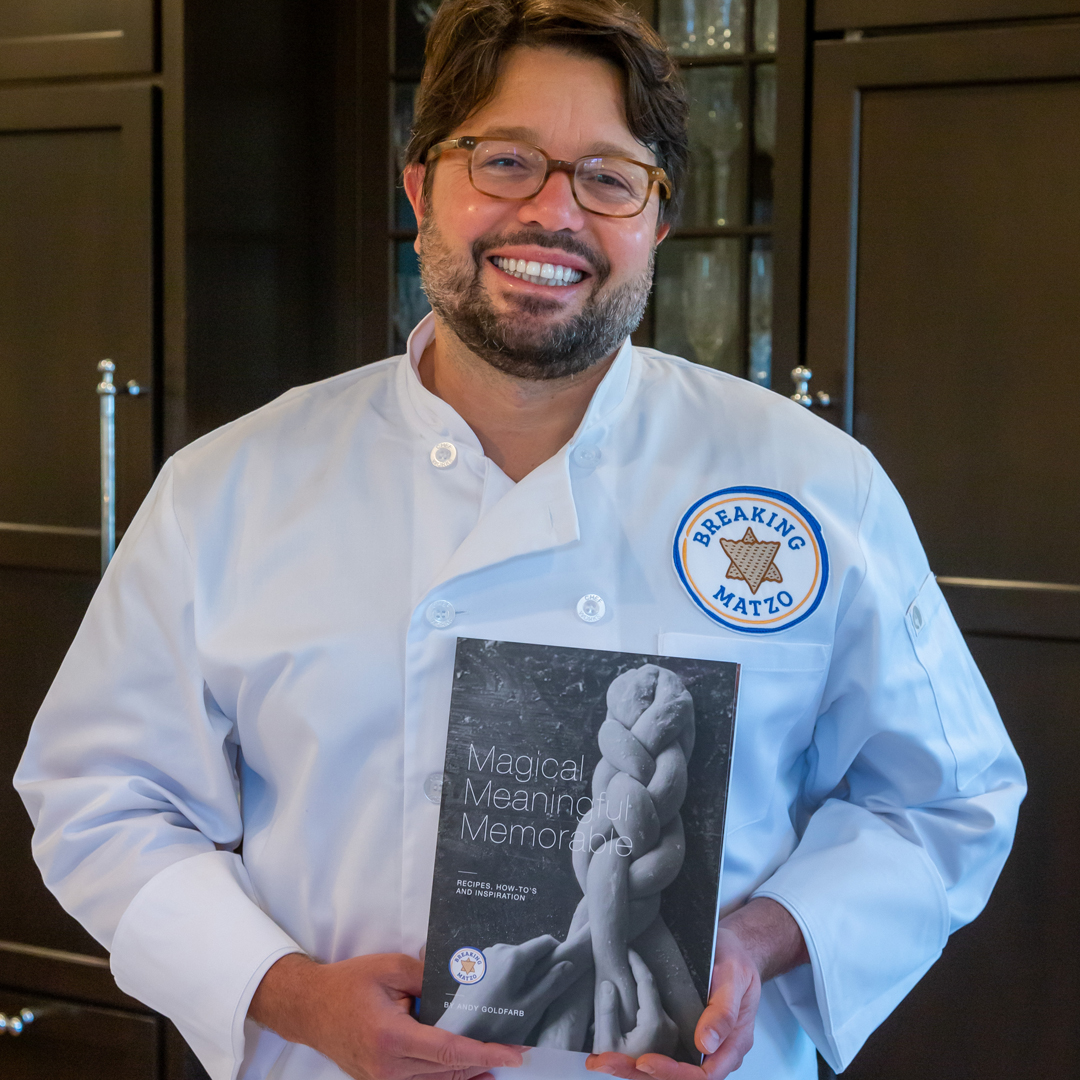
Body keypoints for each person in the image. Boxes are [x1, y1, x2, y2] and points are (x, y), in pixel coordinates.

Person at [14, 2, 1024, 1080]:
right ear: (420, 189)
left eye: (609, 176)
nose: (555, 213)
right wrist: (296, 997)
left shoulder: (812, 485)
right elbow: (100, 800)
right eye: (505, 161)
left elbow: (943, 799)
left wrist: (755, 942)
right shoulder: (230, 488)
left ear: (657, 222)